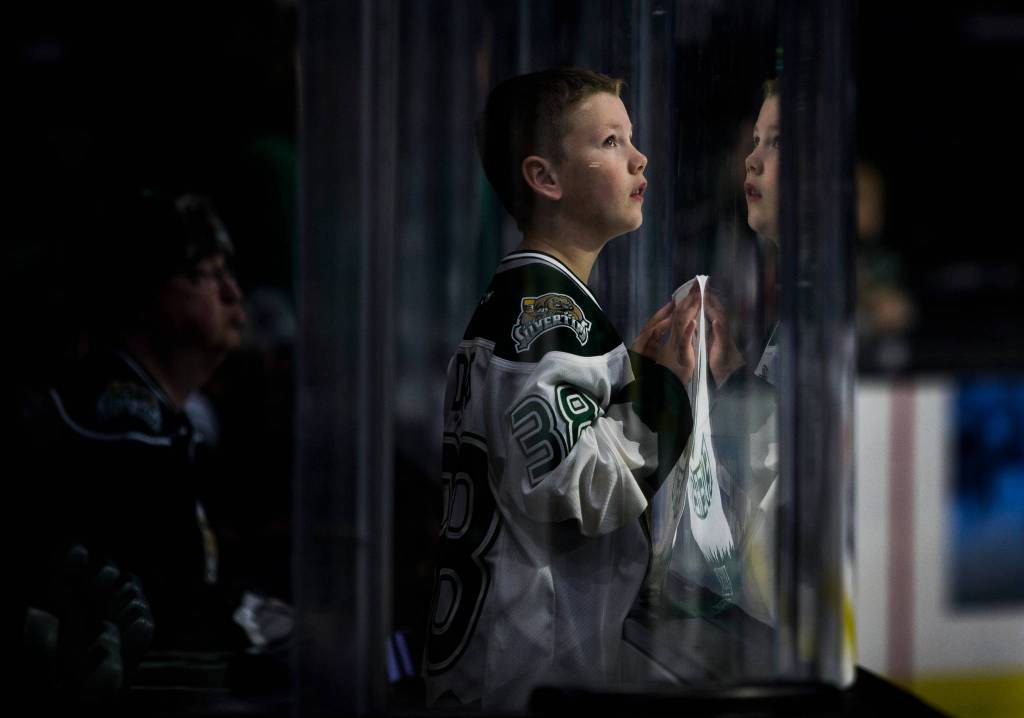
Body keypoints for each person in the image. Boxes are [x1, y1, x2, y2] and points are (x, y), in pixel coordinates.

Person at [422, 66, 701, 712]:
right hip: (521, 680)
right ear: (545, 178)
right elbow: (579, 492)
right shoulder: (543, 316)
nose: (638, 158)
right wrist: (662, 390)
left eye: (630, 139)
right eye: (609, 142)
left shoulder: (531, 306)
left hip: (496, 668)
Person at [38, 190, 251, 654]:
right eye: (203, 275)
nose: (232, 293)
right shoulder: (120, 427)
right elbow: (178, 609)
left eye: (226, 274)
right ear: (143, 294)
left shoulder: (160, 423)